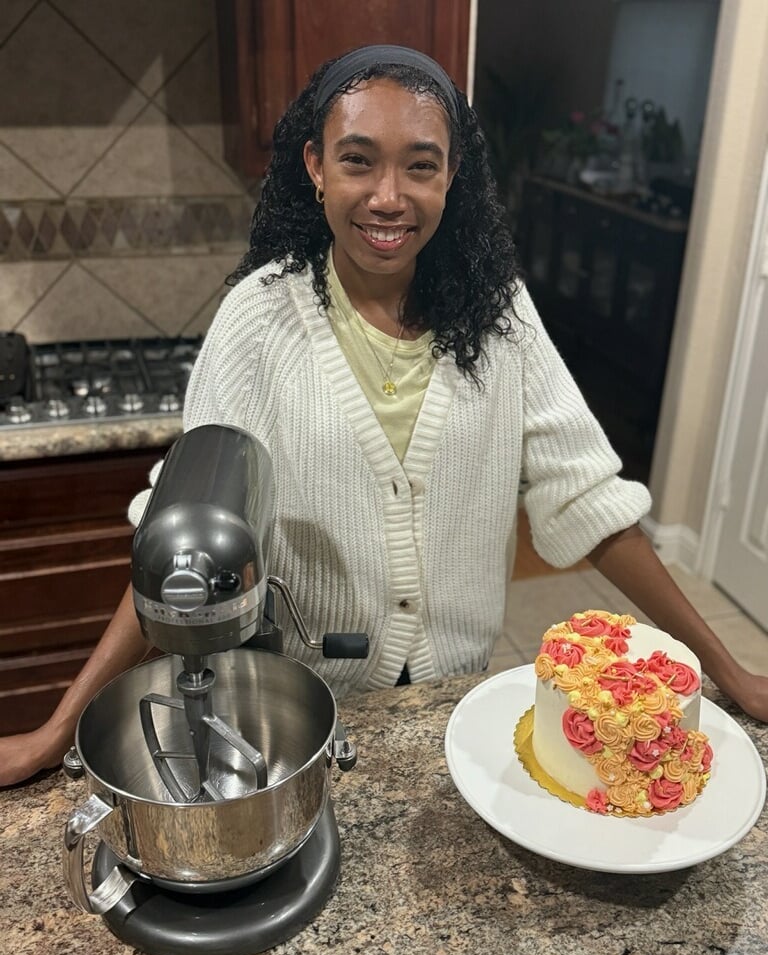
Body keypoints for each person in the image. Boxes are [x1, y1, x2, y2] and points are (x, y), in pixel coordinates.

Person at [2, 45, 767, 788]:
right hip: (299, 723)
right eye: (358, 159)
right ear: (315, 167)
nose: (388, 196)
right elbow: (180, 555)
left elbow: (594, 506)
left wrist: (726, 672)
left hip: (453, 712)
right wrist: (54, 731)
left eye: (421, 164)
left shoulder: (501, 318)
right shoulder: (257, 320)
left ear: (452, 175)